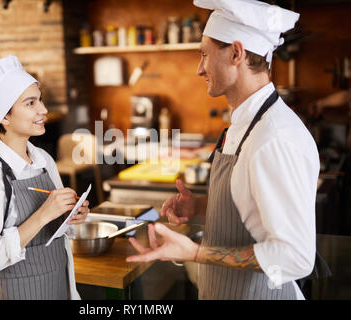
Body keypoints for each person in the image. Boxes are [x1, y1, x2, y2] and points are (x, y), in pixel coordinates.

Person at [127, 0, 320, 300]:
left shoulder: (274, 138)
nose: (199, 68)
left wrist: (196, 252)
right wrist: (201, 206)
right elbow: (252, 203)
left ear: (236, 53)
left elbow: (296, 257)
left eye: (204, 54)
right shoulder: (245, 124)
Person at [0, 56, 89, 300]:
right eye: (30, 103)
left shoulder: (43, 159)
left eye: (40, 100)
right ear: (4, 117)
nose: (43, 110)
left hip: (57, 286)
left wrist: (69, 215)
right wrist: (42, 215)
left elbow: (56, 229)